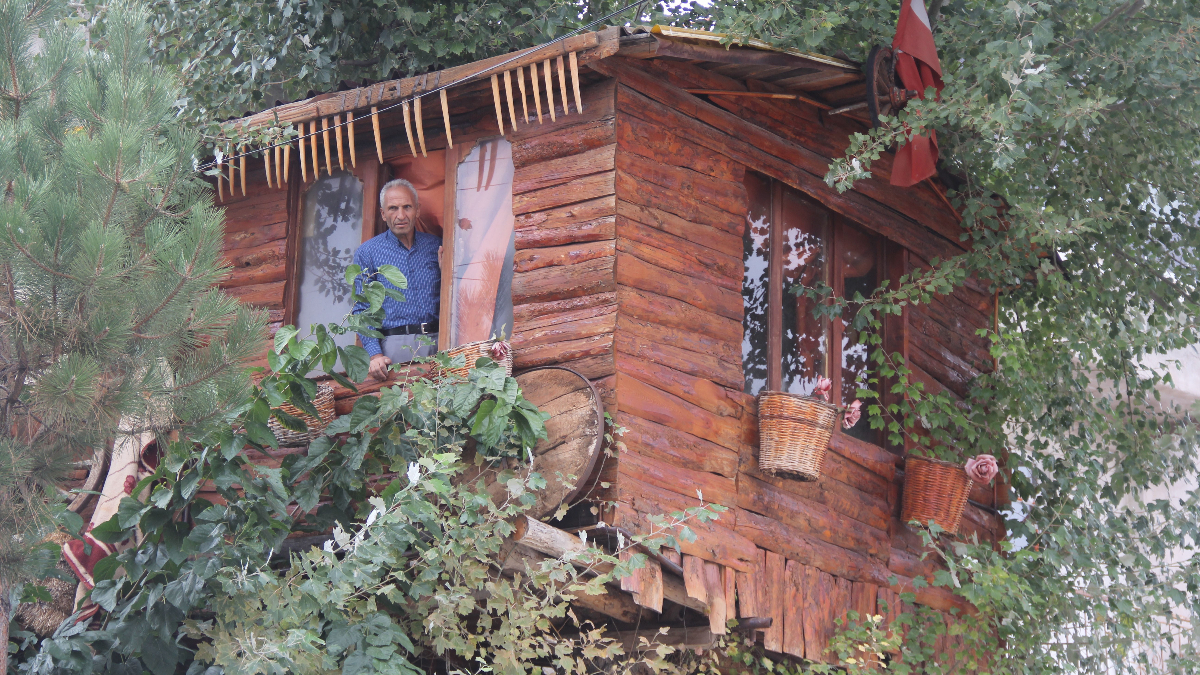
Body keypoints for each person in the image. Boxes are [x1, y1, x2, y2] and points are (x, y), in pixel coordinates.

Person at [352, 179, 441, 381]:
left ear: (417, 210)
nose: (400, 216)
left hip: (440, 342)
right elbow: (362, 309)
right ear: (383, 213)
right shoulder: (368, 253)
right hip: (395, 347)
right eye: (393, 208)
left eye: (407, 207)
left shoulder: (436, 246)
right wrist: (375, 355)